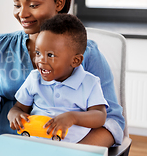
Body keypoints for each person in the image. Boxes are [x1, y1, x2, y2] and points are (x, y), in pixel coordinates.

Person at [0, 0, 124, 148]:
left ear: (59, 3)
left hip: (65, 150)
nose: (22, 14)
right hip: (5, 143)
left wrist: (69, 155)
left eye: (33, 5)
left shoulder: (86, 53)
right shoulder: (1, 46)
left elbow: (111, 121)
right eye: (17, 5)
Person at [7, 14, 108, 143]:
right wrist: (14, 115)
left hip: (72, 150)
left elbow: (100, 116)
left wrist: (73, 117)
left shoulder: (89, 83)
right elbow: (18, 108)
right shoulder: (34, 79)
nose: (41, 60)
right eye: (38, 53)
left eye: (50, 55)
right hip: (34, 144)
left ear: (76, 61)